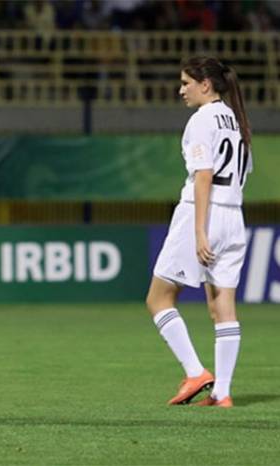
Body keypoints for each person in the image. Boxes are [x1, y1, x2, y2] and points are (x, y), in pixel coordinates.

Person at [146, 56, 252, 408]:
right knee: (222, 306)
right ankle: (222, 392)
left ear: (205, 84)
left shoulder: (201, 119)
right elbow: (242, 172)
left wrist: (200, 231)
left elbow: (203, 174)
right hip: (233, 216)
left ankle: (196, 373)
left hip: (202, 213)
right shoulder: (235, 120)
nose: (181, 90)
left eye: (185, 83)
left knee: (158, 299)